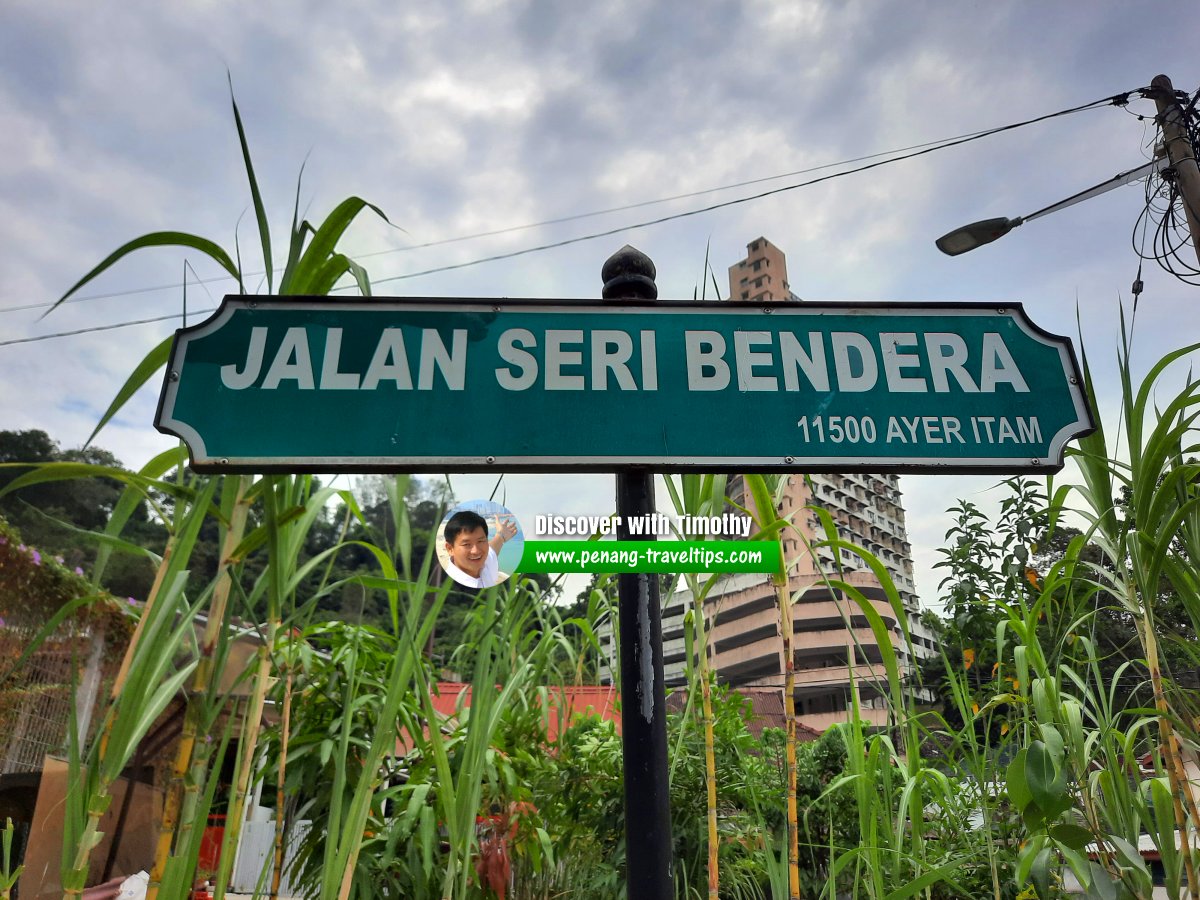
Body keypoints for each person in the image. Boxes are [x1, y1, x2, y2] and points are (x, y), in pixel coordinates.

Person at [442, 509, 517, 588]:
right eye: (466, 544)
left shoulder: (486, 563)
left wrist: (501, 535)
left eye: (480, 541)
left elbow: (493, 547)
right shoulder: (449, 587)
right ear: (450, 549)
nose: (476, 551)